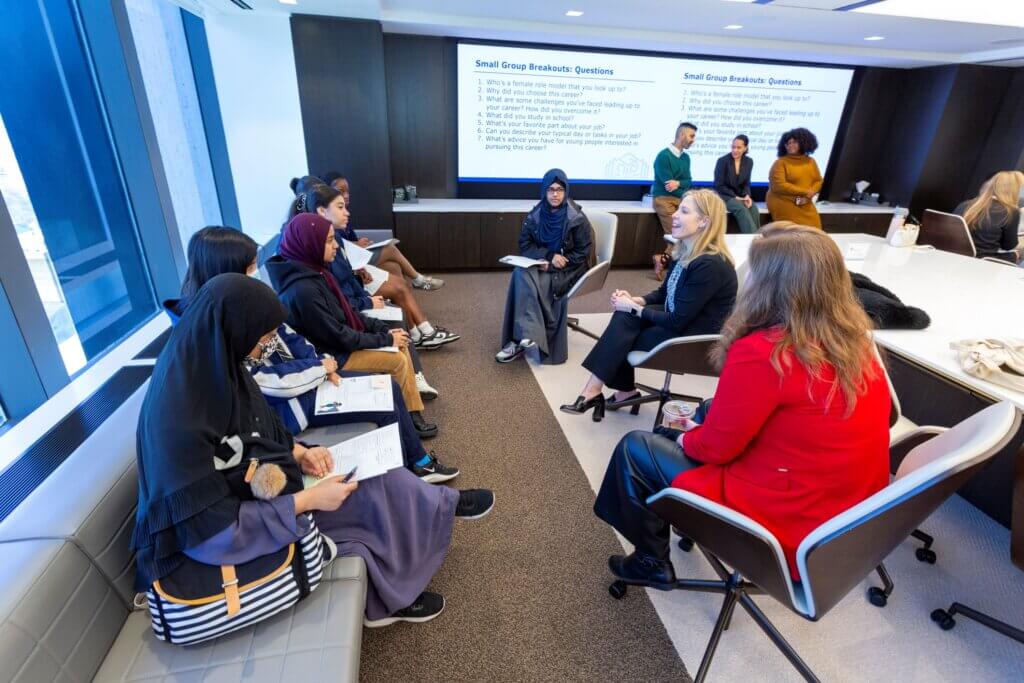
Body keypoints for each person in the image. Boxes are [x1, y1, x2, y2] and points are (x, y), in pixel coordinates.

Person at [130, 273, 495, 630]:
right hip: (214, 543)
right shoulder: (178, 417)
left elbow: (256, 432)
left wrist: (299, 451)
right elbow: (212, 532)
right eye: (263, 340)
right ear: (237, 330)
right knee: (364, 497)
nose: (264, 350)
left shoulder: (211, 366)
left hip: (250, 494)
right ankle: (388, 598)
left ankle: (435, 506)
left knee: (374, 475)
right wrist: (307, 501)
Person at [593, 228, 890, 587]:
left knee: (635, 448)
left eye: (754, 268)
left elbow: (715, 449)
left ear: (769, 284)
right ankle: (674, 515)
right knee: (706, 409)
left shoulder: (766, 351)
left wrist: (687, 439)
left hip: (787, 524)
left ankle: (650, 559)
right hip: (848, 516)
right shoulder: (854, 339)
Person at [171, 226, 459, 483]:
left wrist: (318, 365)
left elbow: (292, 338)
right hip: (289, 405)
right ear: (227, 271)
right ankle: (413, 472)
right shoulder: (214, 330)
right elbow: (259, 381)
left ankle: (417, 463)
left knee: (386, 388)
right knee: (383, 399)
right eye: (249, 269)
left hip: (310, 379)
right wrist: (321, 368)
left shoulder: (239, 301)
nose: (255, 276)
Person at [561, 190, 737, 421]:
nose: (675, 215)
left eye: (684, 211)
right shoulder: (684, 250)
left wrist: (635, 309)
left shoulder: (709, 265)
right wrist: (637, 301)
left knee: (622, 334)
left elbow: (677, 320)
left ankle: (604, 391)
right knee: (624, 318)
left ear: (704, 221)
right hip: (682, 320)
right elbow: (665, 293)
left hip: (693, 337)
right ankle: (605, 391)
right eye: (677, 209)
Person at [266, 214, 439, 438]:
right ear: (310, 244)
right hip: (332, 355)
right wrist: (385, 339)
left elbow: (348, 313)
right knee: (396, 359)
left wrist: (382, 330)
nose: (336, 245)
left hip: (340, 344)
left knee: (401, 343)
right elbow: (339, 337)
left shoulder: (316, 273)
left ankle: (412, 413)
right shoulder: (303, 291)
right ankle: (411, 418)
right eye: (329, 241)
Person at [297, 182, 460, 349]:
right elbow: (338, 295)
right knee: (397, 280)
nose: (347, 212)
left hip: (356, 283)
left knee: (395, 270)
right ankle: (421, 332)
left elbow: (345, 272)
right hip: (355, 296)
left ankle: (419, 333)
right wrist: (366, 301)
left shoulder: (334, 237)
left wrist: (357, 271)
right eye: (340, 207)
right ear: (322, 211)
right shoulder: (319, 250)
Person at [497, 168, 593, 365]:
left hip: (569, 268)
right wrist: (548, 256)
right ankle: (527, 336)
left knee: (523, 277)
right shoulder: (536, 215)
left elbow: (583, 253)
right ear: (544, 191)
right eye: (550, 190)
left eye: (559, 189)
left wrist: (556, 262)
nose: (555, 194)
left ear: (566, 191)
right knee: (520, 272)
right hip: (545, 263)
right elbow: (525, 245)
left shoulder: (577, 218)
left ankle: (520, 338)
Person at [322, 172, 444, 289]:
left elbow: (350, 238)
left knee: (394, 267)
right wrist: (355, 245)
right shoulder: (328, 218)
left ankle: (404, 297)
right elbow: (337, 247)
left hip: (357, 254)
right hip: (350, 261)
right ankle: (418, 280)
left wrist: (359, 241)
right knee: (390, 248)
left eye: (348, 191)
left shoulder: (343, 213)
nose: (346, 195)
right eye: (341, 191)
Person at [652, 122, 698, 279]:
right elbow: (667, 186)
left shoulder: (686, 158)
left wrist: (678, 183)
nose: (693, 140)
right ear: (682, 135)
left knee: (687, 233)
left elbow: (688, 181)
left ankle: (662, 259)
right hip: (664, 200)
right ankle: (664, 262)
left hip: (682, 200)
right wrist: (682, 185)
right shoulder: (663, 156)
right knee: (677, 235)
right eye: (691, 136)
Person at [954, 170, 1023, 263]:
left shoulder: (965, 204)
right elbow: (1008, 246)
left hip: (953, 254)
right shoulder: (1011, 212)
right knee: (1018, 254)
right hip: (983, 261)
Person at [766, 127, 823, 229]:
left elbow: (818, 180)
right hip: (783, 200)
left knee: (816, 229)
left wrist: (810, 194)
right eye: (788, 143)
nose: (790, 145)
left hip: (805, 201)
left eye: (794, 142)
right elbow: (779, 186)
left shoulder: (811, 161)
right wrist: (805, 192)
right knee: (795, 232)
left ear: (803, 143)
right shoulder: (780, 162)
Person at [714, 134, 760, 234]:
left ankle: (757, 238)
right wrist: (735, 197)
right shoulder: (722, 161)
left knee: (753, 208)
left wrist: (747, 196)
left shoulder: (749, 161)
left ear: (745, 148)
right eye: (733, 147)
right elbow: (719, 185)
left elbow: (746, 183)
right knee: (741, 209)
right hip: (725, 196)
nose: (735, 150)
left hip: (740, 196)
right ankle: (753, 241)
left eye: (738, 147)